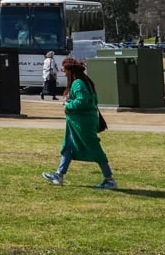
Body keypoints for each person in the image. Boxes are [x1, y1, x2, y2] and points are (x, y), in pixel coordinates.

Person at [42, 58, 117, 189]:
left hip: (82, 123)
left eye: (64, 68)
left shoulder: (78, 83)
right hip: (77, 122)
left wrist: (67, 105)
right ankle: (59, 175)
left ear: (70, 71)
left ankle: (109, 179)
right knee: (68, 147)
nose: (62, 71)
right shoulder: (85, 82)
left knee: (95, 148)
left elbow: (82, 101)